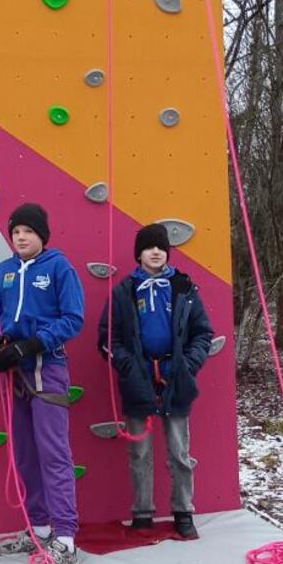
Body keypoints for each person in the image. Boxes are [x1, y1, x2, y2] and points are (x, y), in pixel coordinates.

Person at [0, 202, 85, 564]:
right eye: (15, 232)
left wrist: (34, 343)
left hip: (47, 368)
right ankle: (40, 529)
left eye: (28, 231)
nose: (21, 237)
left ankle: (66, 539)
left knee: (53, 454)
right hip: (15, 372)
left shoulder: (59, 267)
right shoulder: (4, 271)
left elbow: (73, 318)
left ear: (42, 234)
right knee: (25, 454)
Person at [98, 223, 213, 539]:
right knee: (140, 453)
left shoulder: (184, 288)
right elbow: (108, 337)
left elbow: (203, 333)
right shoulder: (124, 291)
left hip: (176, 379)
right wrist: (128, 366)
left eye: (161, 247)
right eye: (149, 247)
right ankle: (142, 513)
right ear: (139, 254)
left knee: (179, 451)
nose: (156, 252)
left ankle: (183, 511)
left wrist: (187, 365)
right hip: (138, 380)